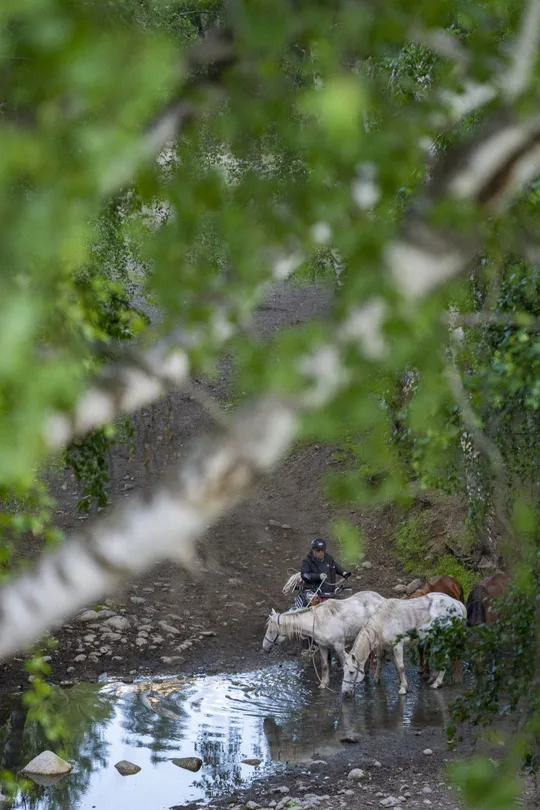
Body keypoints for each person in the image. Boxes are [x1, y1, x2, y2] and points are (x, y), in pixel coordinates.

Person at [298, 538, 351, 606]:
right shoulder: (307, 562)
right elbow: (305, 575)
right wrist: (318, 576)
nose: (321, 552)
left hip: (330, 594)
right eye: (318, 550)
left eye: (322, 550)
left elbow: (335, 565)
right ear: (313, 550)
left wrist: (344, 573)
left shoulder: (328, 558)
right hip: (316, 595)